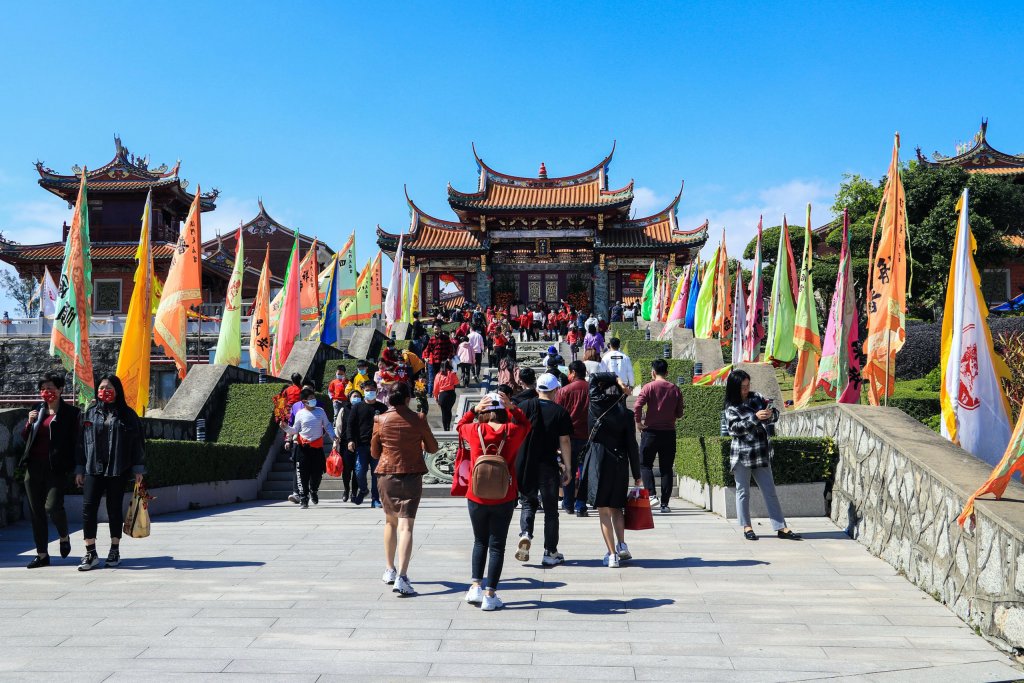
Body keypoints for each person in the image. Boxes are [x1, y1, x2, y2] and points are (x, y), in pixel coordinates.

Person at [456, 392, 531, 611]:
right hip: (504, 495)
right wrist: (513, 408)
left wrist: (474, 410)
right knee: (497, 545)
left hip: (476, 495)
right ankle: (490, 595)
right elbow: (526, 424)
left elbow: (460, 425)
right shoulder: (513, 431)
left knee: (480, 541)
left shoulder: (475, 429)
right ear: (503, 411)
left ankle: (475, 586)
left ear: (486, 411)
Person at [371, 382, 439, 596]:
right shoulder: (418, 419)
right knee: (406, 526)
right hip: (411, 475)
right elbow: (433, 447)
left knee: (390, 521)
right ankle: (402, 576)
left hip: (386, 474)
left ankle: (389, 569)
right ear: (408, 398)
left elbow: (374, 452)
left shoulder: (380, 420)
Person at [75, 375, 146, 571]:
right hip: (93, 468)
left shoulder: (128, 415)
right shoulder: (88, 413)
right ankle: (90, 552)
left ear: (117, 391)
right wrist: (79, 469)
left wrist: (138, 469)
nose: (104, 390)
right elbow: (80, 444)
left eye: (109, 387)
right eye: (101, 387)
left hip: (117, 469)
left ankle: (114, 549)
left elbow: (137, 444)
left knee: (114, 509)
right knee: (88, 508)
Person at [724, 369, 802, 541]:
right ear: (734, 387)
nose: (746, 389)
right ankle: (747, 527)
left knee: (770, 490)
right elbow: (734, 429)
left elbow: (774, 416)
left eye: (748, 385)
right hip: (742, 454)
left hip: (761, 452)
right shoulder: (731, 407)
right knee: (743, 491)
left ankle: (781, 527)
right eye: (742, 387)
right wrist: (755, 417)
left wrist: (770, 414)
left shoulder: (757, 397)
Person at [581, 373, 641, 568]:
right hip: (619, 461)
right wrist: (637, 474)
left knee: (603, 510)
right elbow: (632, 445)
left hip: (598, 460)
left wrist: (614, 377)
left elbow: (594, 379)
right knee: (617, 507)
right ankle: (622, 543)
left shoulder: (596, 404)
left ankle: (612, 554)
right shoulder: (626, 414)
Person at [20, 372, 80, 568]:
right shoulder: (37, 409)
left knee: (52, 507)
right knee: (36, 512)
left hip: (56, 468)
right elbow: (25, 437)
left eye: (51, 389)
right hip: (34, 466)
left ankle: (64, 535)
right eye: (43, 389)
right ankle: (42, 554)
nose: (47, 393)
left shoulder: (71, 413)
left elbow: (76, 443)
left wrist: (78, 468)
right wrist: (29, 423)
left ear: (61, 389)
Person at [515, 373, 572, 566]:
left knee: (528, 503)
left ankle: (525, 534)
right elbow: (564, 441)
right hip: (548, 465)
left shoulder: (523, 408)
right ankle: (550, 552)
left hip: (526, 464)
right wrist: (568, 468)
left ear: (537, 389)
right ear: (556, 390)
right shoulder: (560, 412)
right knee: (550, 510)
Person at [634, 359, 685, 513]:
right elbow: (680, 413)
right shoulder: (675, 389)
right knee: (666, 468)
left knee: (645, 464)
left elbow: (637, 405)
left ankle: (651, 495)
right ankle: (665, 504)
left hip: (650, 432)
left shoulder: (649, 387)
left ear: (653, 372)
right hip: (669, 432)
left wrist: (638, 422)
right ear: (667, 372)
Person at [280, 387, 335, 508]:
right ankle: (304, 498)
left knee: (318, 473)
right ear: (304, 401)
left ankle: (313, 490)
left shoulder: (320, 411)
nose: (313, 400)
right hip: (303, 448)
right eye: (310, 398)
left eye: (313, 397)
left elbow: (327, 425)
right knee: (302, 474)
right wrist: (285, 428)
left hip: (317, 448)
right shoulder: (300, 414)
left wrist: (334, 437)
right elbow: (295, 430)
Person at [556, 360, 590, 517]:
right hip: (588, 436)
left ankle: (568, 503)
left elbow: (558, 414)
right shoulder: (592, 389)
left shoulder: (563, 391)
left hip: (567, 438)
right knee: (584, 471)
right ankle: (581, 504)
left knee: (568, 469)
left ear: (573, 373)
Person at [346, 380, 388, 507]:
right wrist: (350, 440)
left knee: (376, 474)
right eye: (367, 390)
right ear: (364, 391)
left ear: (376, 391)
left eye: (372, 390)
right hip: (361, 445)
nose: (370, 392)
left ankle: (375, 499)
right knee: (359, 471)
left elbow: (387, 426)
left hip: (378, 446)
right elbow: (350, 425)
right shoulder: (357, 407)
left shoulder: (382, 408)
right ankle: (363, 490)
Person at [423, 324, 454, 395]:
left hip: (443, 362)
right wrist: (426, 357)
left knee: (442, 377)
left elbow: (451, 349)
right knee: (432, 378)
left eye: (437, 329)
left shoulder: (446, 338)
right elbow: (427, 349)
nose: (436, 330)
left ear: (440, 329)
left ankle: (441, 391)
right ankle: (431, 393)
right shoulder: (432, 339)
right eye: (435, 329)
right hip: (433, 362)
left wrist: (449, 358)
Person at [432, 363, 460, 431]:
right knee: (449, 410)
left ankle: (445, 428)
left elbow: (436, 388)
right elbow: (457, 383)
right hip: (451, 394)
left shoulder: (438, 375)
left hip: (443, 395)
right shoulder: (452, 374)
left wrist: (436, 397)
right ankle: (448, 426)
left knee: (444, 412)